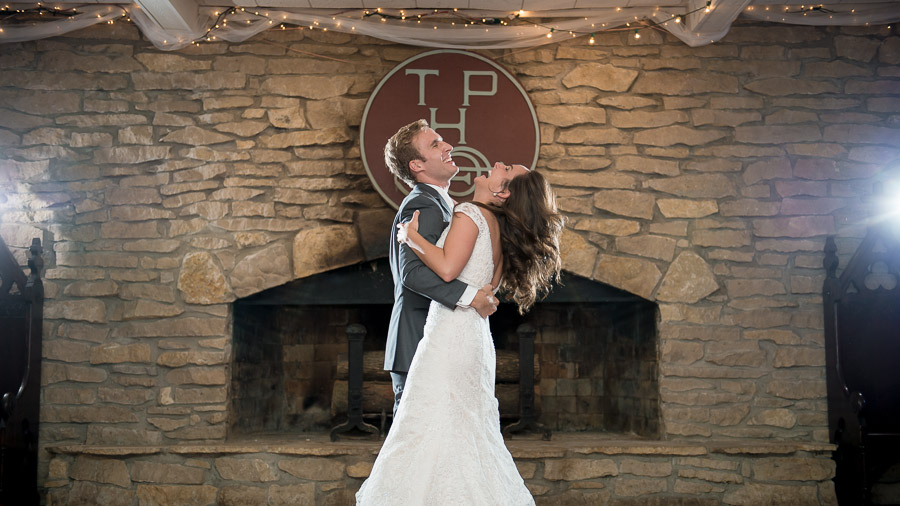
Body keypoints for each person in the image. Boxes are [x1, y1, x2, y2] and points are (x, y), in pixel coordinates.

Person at [356, 158, 564, 505]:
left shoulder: (470, 214)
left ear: (502, 191)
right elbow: (484, 289)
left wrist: (412, 238)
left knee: (431, 428)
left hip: (450, 338)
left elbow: (449, 269)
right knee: (465, 432)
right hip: (474, 338)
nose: (497, 163)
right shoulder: (497, 226)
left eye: (506, 168)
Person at [383, 119, 498, 419]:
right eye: (435, 144)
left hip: (439, 345)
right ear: (417, 166)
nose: (448, 146)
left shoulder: (443, 204)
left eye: (442, 140)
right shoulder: (423, 204)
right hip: (419, 341)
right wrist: (471, 296)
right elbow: (412, 274)